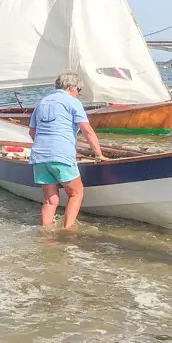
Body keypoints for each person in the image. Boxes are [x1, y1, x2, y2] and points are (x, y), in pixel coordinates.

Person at [29, 71, 105, 229]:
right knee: (76, 193)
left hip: (39, 156)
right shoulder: (72, 102)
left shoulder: (41, 103)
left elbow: (32, 132)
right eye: (79, 90)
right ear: (71, 87)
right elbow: (87, 131)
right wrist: (99, 154)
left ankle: (46, 233)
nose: (78, 94)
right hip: (61, 154)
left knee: (50, 200)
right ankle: (68, 230)